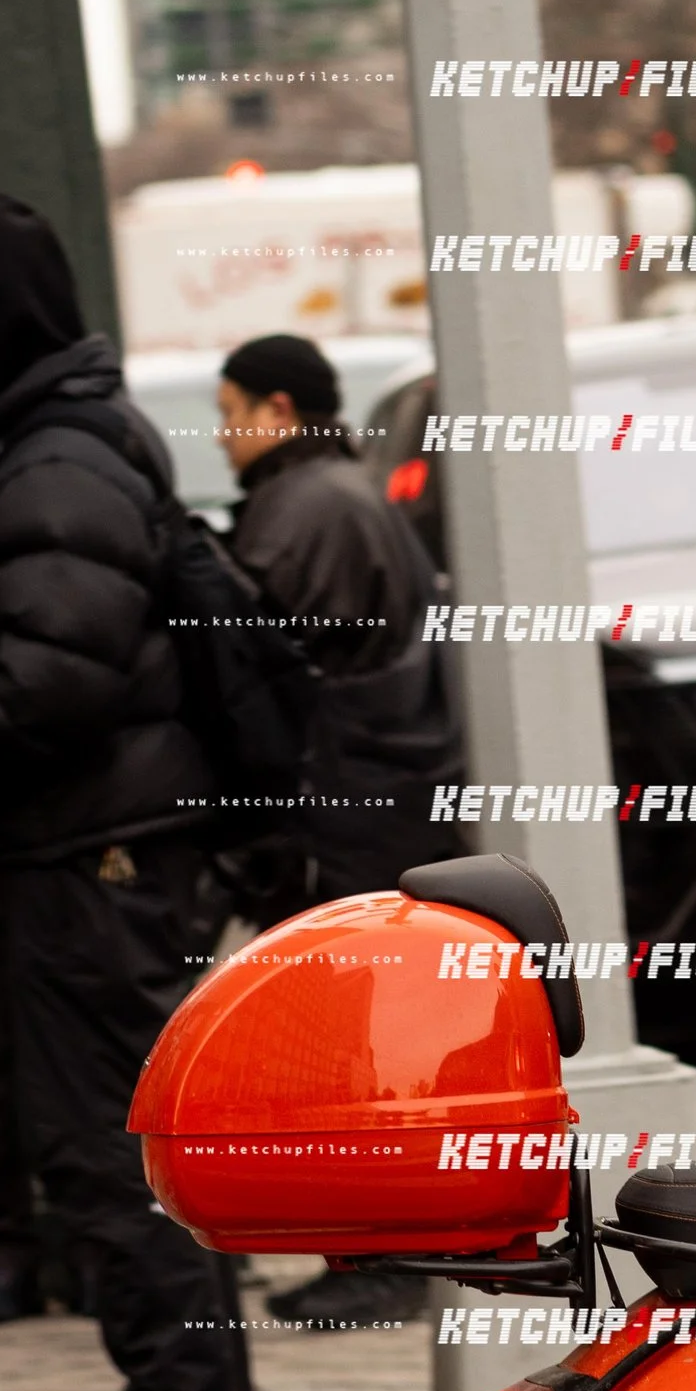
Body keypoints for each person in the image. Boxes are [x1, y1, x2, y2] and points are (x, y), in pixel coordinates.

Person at [0, 192, 264, 1391]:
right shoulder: (52, 443)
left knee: (117, 1164)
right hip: (96, 855)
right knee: (124, 1157)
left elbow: (50, 685)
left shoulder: (50, 463)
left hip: (90, 861)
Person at [217, 331, 462, 1335]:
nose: (224, 434)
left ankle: (377, 1258)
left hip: (347, 801)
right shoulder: (340, 491)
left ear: (278, 410)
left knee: (349, 1034)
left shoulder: (303, 508)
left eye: (231, 410)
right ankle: (374, 1251)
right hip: (376, 794)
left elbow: (259, 667)